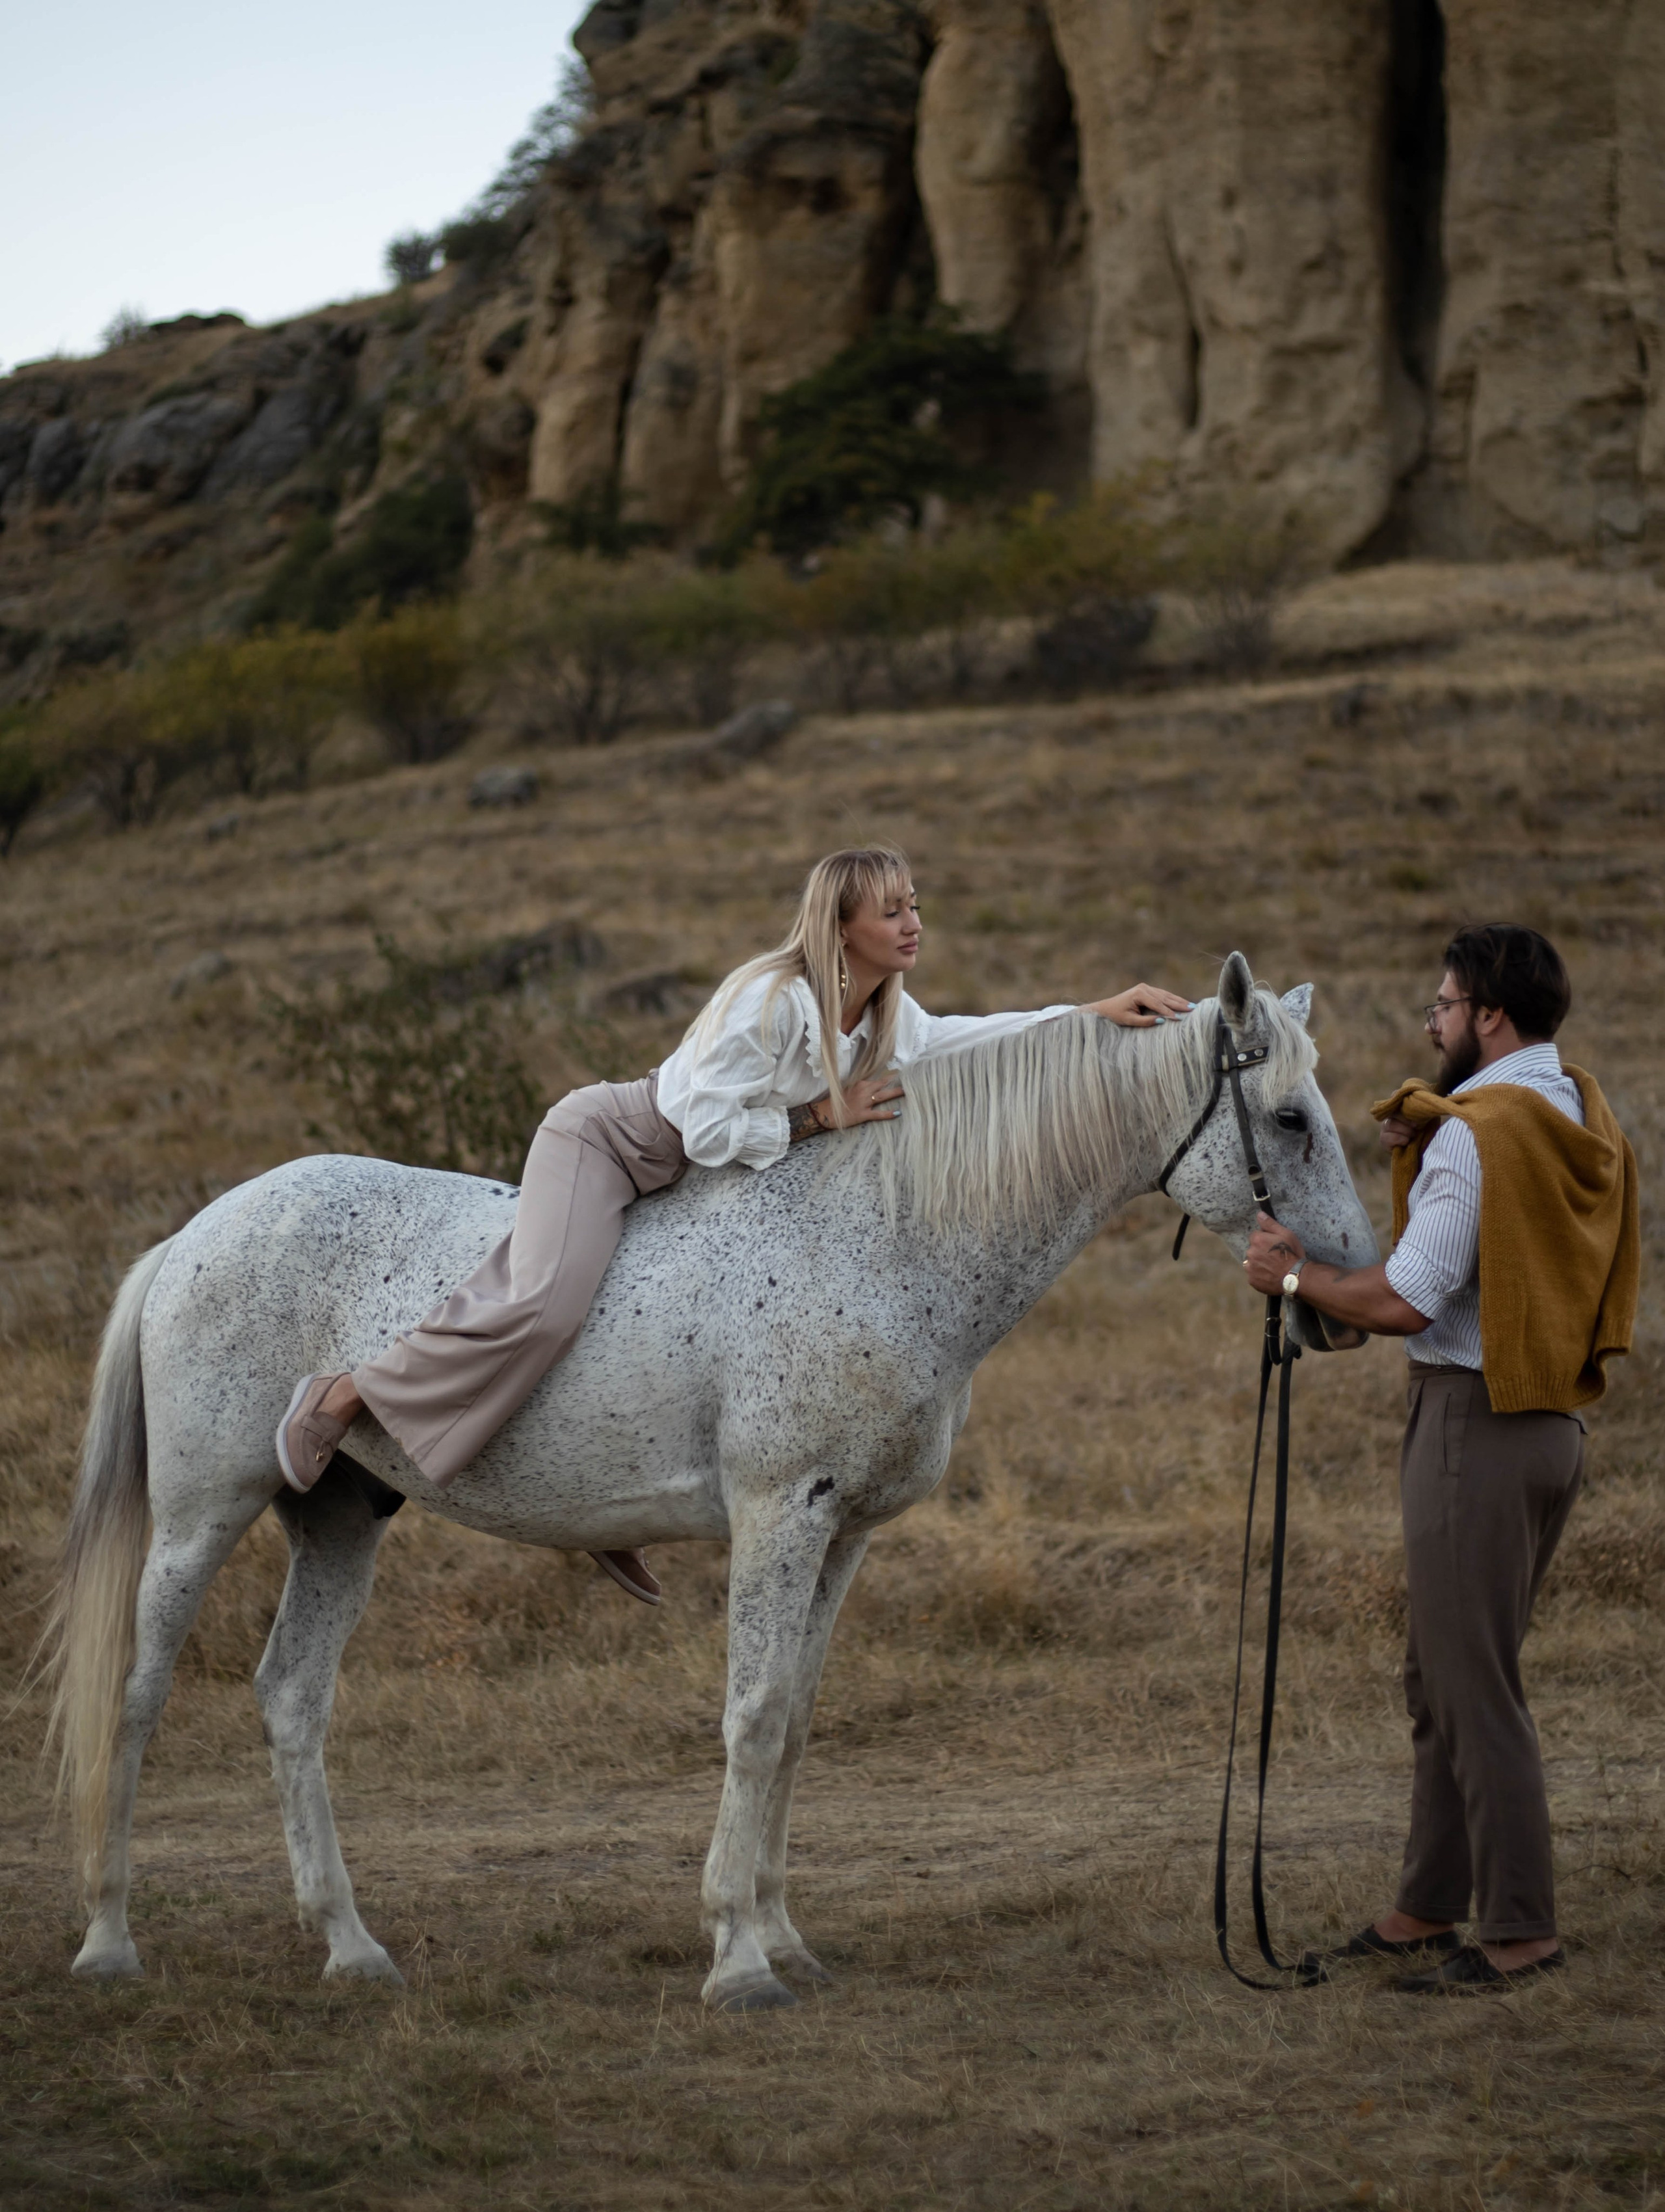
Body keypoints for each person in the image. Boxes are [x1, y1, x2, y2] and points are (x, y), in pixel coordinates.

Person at [276, 844, 1192, 1602]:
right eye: (892, 911)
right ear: (842, 927)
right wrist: (818, 1118)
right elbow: (705, 1130)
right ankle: (347, 1396)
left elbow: (966, 1037)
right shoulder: (773, 998)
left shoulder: (883, 1010)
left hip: (697, 1177)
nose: (913, 922)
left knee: (639, 1329)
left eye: (915, 904)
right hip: (615, 1144)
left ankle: (596, 1500)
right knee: (546, 1303)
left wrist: (1090, 1015)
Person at [1240, 924, 1638, 1993]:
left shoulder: (1477, 1134)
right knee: (1446, 1674)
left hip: (1474, 1420)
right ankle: (1426, 1903)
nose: (1433, 1022)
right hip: (1551, 1423)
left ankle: (1519, 1931)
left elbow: (1406, 1298)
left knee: (1472, 1686)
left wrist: (1293, 1277)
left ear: (1489, 1015)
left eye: (1446, 1004)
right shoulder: (1579, 1111)